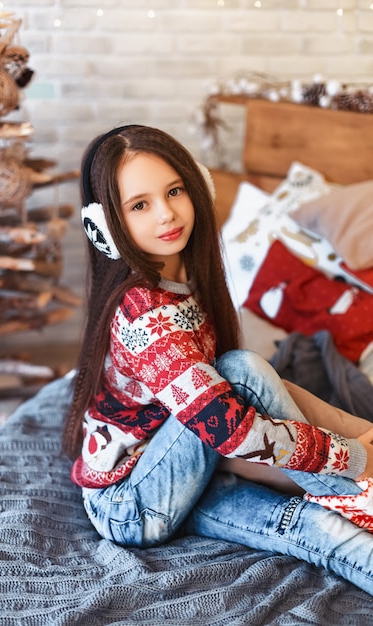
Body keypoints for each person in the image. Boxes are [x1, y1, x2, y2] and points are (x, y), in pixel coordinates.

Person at [63, 124, 373, 595]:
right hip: (131, 501)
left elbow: (234, 415)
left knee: (306, 526)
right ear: (107, 226)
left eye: (174, 191)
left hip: (186, 463)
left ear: (199, 188)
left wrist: (357, 439)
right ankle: (355, 491)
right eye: (140, 205)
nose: (167, 214)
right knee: (243, 371)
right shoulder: (144, 314)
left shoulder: (189, 279)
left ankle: (349, 493)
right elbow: (230, 427)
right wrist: (351, 456)